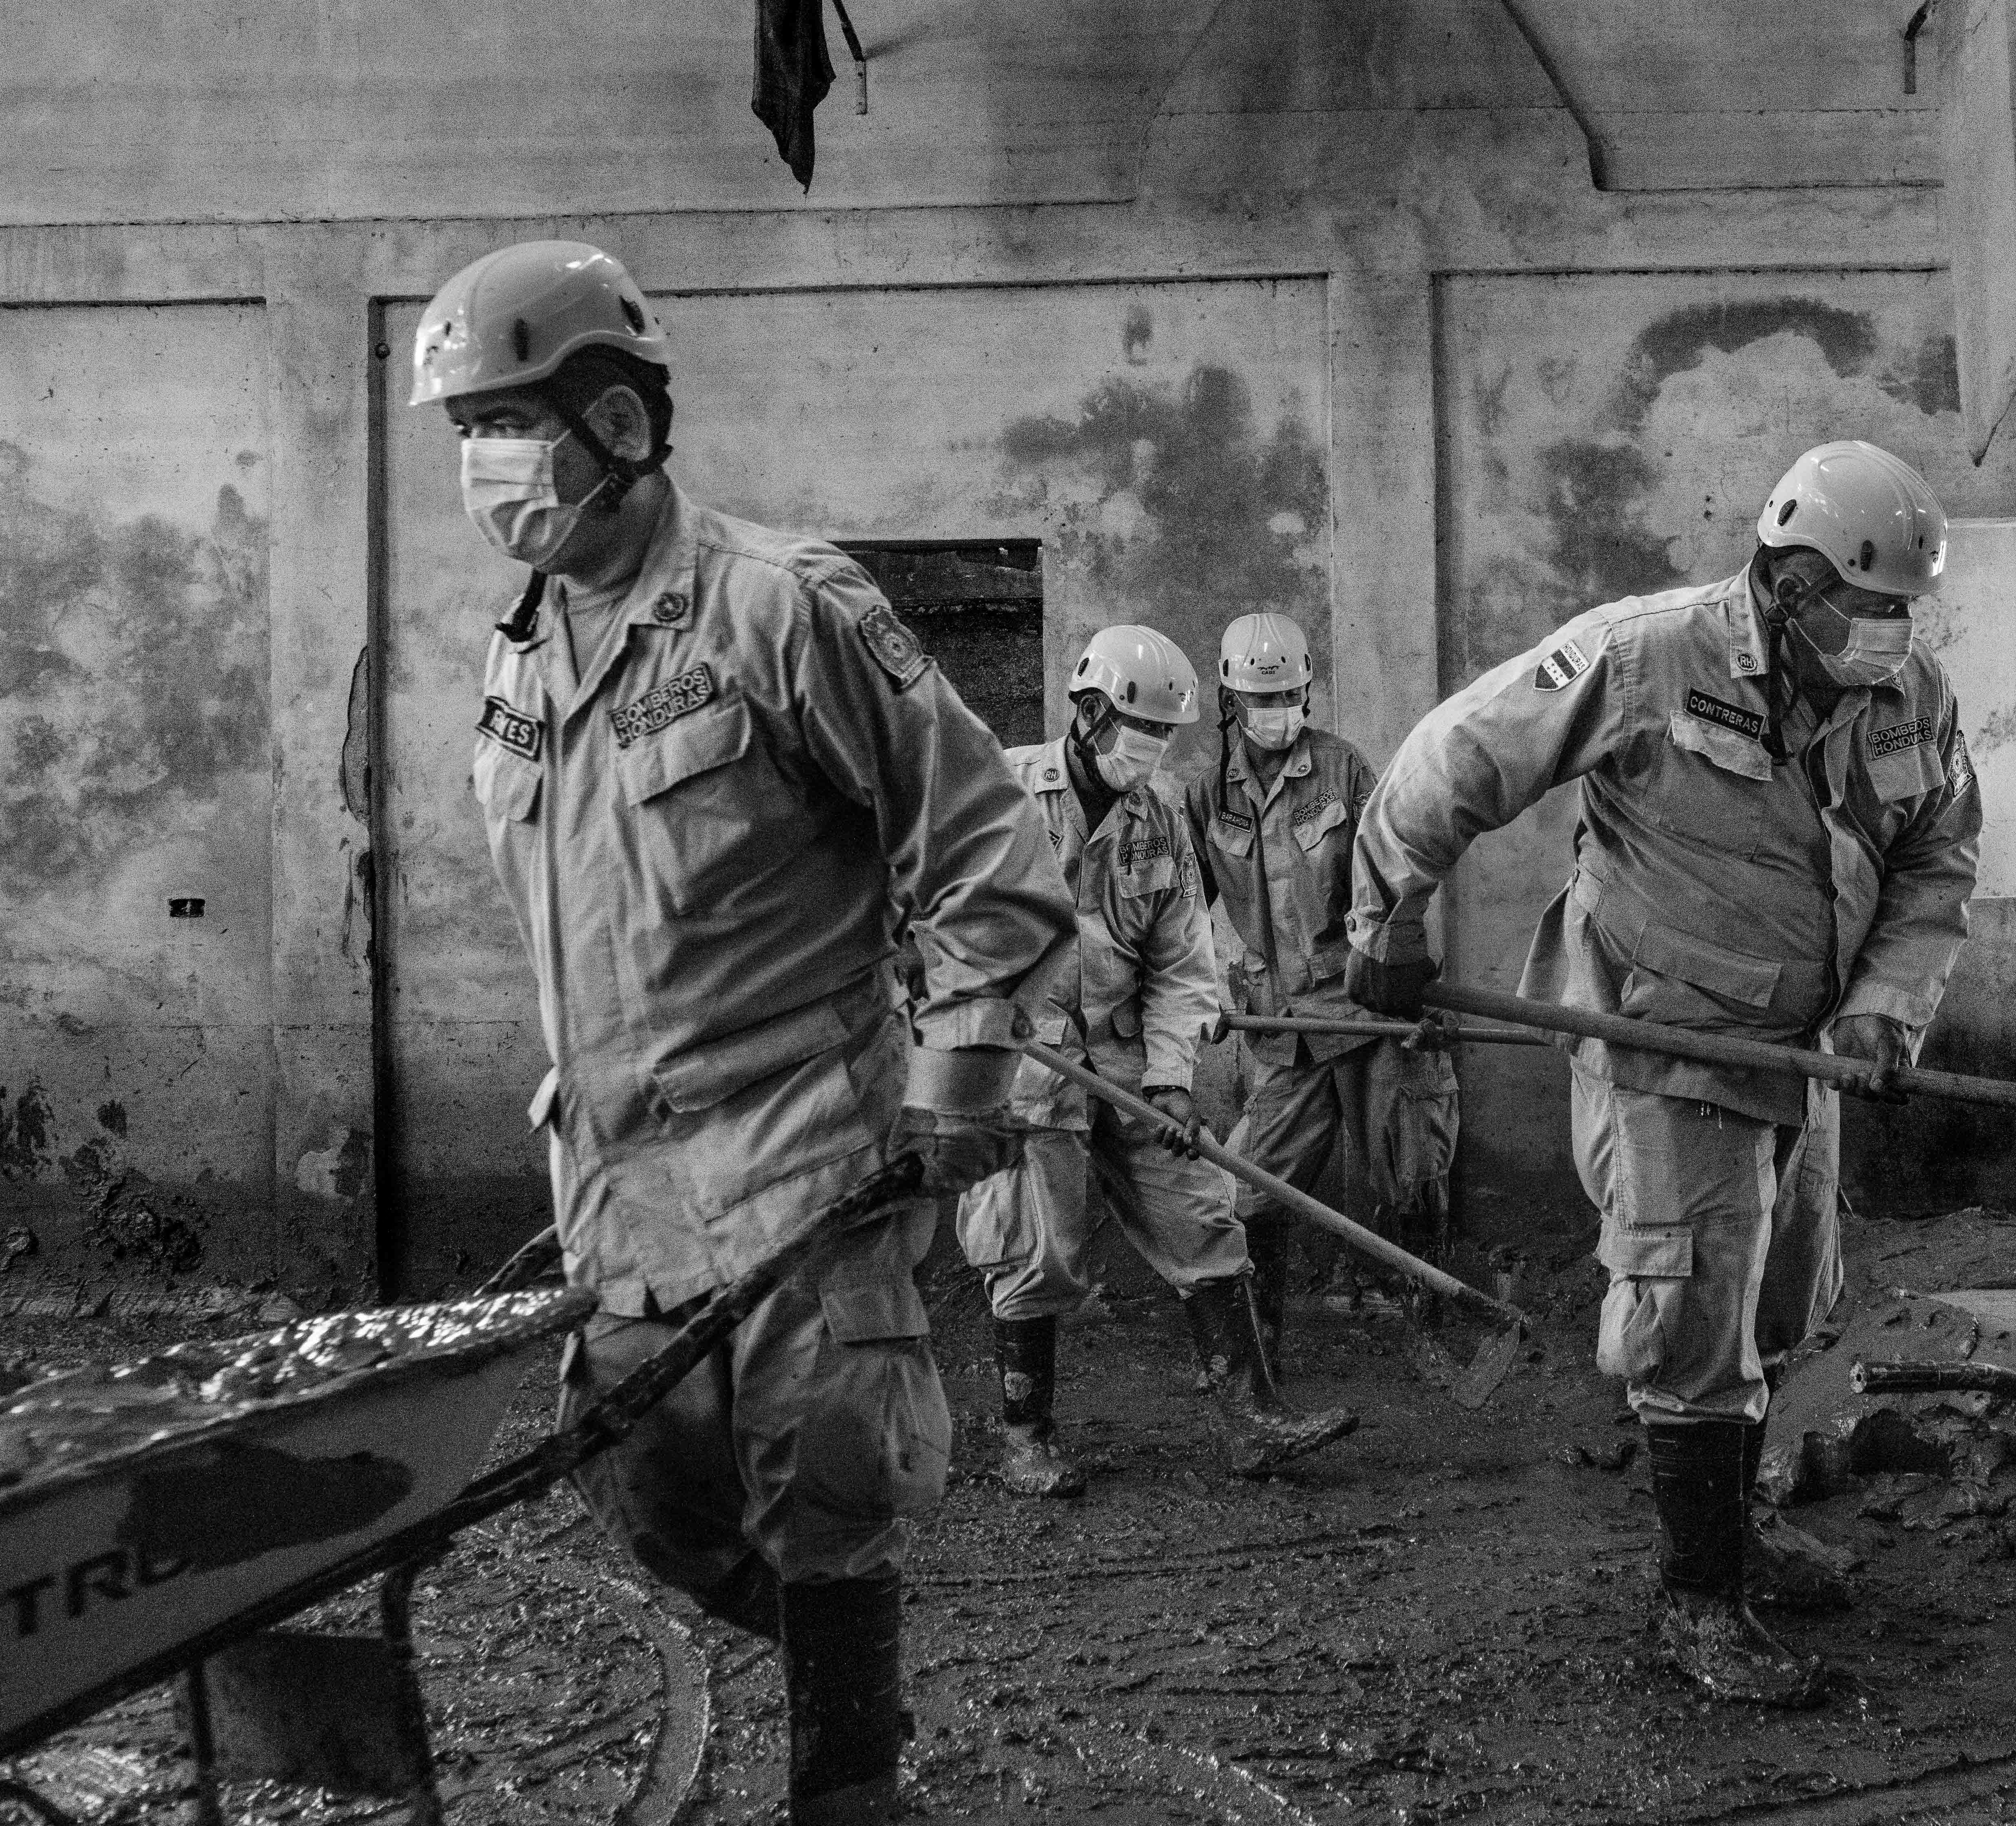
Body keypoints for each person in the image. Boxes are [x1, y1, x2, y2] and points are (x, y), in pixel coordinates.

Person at [412, 240, 1077, 1826]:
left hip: (799, 1154)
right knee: (662, 1511)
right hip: (618, 1180)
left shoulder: (781, 611)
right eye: (465, 435)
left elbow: (991, 849)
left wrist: (962, 1072)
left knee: (828, 1495)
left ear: (619, 421)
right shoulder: (520, 655)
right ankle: (868, 1688)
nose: (485, 466)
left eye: (510, 422)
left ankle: (855, 1786)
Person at [1343, 441, 1981, 1706]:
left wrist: (1883, 1012)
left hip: (1804, 1049)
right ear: (1789, 584)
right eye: (1871, 608)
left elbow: (1937, 863)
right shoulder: (1649, 657)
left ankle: (1734, 1530)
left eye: (1910, 609)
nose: (1892, 634)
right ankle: (1699, 1603)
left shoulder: (1909, 697)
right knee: (1690, 1302)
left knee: (1783, 1293)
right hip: (1664, 1031)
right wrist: (1388, 920)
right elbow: (1453, 758)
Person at [956, 623, 1358, 1498]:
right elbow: (928, 916)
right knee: (1039, 1246)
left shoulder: (1161, 811)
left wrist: (1173, 1078)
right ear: (1091, 712)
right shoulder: (1003, 792)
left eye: (1167, 736)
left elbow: (1183, 962)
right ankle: (1027, 1436)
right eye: (1141, 732)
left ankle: (1252, 1422)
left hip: (1128, 1052)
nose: (1153, 750)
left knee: (1203, 1215)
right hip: (1027, 1059)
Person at [1180, 613, 1397, 1363]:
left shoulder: (1343, 769)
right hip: (1279, 1028)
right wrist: (1193, 990)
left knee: (1407, 1169)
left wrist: (1398, 968)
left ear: (1308, 692)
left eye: (1291, 697)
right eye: (1261, 701)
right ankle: (1260, 1343)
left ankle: (1428, 1330)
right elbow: (1182, 909)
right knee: (1250, 1190)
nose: (1279, 714)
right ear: (1231, 702)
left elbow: (1393, 879)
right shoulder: (1209, 795)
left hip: (1362, 1012)